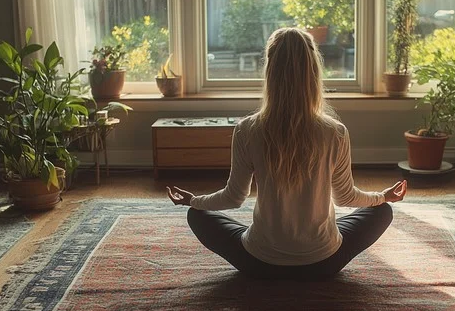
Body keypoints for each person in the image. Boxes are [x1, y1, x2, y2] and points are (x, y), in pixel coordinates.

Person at [167, 28, 407, 280]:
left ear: (270, 71)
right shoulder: (335, 131)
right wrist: (382, 196)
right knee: (382, 211)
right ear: (313, 72)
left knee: (198, 216)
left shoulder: (247, 129)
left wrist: (193, 201)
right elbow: (345, 197)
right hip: (324, 263)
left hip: (260, 263)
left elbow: (233, 198)